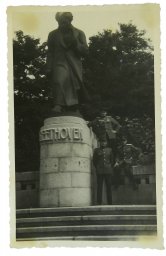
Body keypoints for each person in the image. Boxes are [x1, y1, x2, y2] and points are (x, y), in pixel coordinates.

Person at [46, 12, 88, 113]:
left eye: (64, 22)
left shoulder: (79, 33)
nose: (62, 24)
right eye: (60, 22)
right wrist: (48, 66)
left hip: (74, 64)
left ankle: (73, 106)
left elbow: (85, 51)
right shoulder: (53, 34)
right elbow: (50, 52)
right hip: (59, 62)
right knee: (59, 80)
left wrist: (76, 44)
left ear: (69, 21)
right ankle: (58, 104)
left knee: (73, 84)